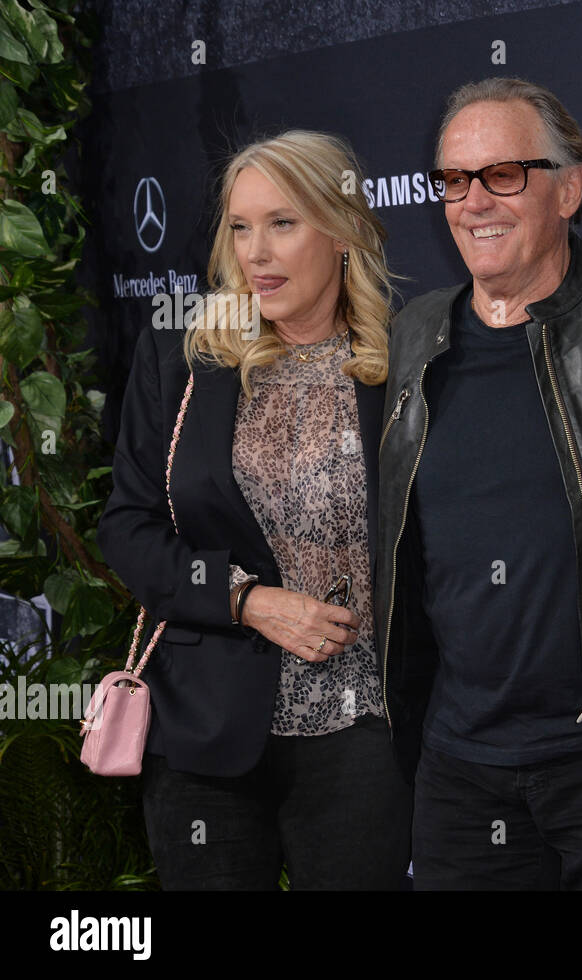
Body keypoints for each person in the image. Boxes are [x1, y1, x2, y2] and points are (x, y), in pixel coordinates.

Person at [375, 77, 582, 890]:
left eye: (503, 174)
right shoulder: (415, 336)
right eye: (454, 180)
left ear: (570, 187)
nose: (473, 201)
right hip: (460, 770)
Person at [98, 130, 410, 889]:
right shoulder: (183, 357)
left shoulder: (402, 361)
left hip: (363, 733)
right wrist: (247, 600)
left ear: (340, 234)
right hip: (207, 734)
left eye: (282, 223)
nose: (255, 252)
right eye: (240, 227)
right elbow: (127, 528)